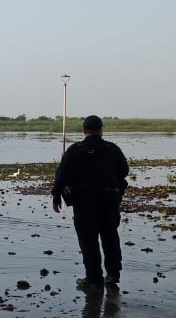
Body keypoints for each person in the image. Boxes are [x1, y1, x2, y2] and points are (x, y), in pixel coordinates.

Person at [52, 114, 129, 291]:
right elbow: (124, 171)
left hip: (84, 203)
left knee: (88, 241)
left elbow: (61, 175)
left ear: (84, 130)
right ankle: (113, 275)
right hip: (109, 201)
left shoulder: (74, 150)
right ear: (101, 130)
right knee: (110, 237)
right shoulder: (112, 149)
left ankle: (94, 278)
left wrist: (56, 196)